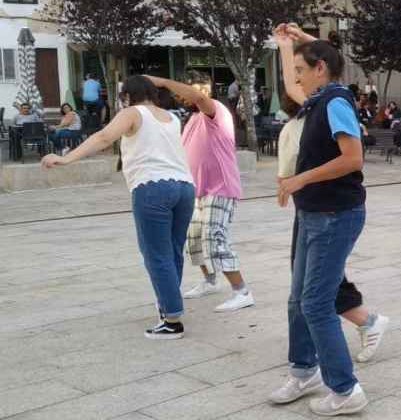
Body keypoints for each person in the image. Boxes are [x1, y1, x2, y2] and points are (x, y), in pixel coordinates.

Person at [43, 76, 195, 338]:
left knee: (156, 255)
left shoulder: (132, 112)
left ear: (127, 95)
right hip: (184, 187)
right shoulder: (172, 117)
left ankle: (172, 320)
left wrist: (66, 159)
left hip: (152, 187)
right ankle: (168, 305)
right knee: (172, 252)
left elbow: (104, 138)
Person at [273, 26, 390, 363]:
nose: (296, 80)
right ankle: (304, 367)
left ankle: (339, 381)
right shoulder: (317, 100)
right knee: (306, 293)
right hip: (314, 210)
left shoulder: (335, 101)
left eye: (301, 71)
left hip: (332, 212)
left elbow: (353, 159)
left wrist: (300, 179)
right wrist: (287, 46)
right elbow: (295, 82)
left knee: (314, 298)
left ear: (320, 69)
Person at [147, 73, 254, 313]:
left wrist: (162, 81)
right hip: (196, 189)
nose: (184, 96)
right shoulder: (192, 120)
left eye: (193, 89)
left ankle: (242, 292)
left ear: (207, 89)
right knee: (193, 240)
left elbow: (196, 96)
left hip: (221, 187)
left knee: (214, 238)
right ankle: (210, 281)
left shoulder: (216, 109)